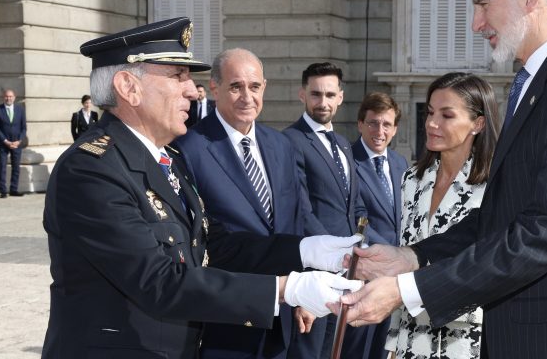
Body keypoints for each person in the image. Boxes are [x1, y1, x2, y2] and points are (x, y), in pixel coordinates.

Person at [335, 0, 547, 358]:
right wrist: (411, 256)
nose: (475, 23)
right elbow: (500, 215)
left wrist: (407, 291)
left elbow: (540, 234)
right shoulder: (543, 82)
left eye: (483, 4)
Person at [41, 17, 363, 359]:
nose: (192, 91)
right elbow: (158, 280)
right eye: (177, 76)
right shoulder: (91, 169)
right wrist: (286, 289)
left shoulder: (167, 158)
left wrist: (306, 250)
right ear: (128, 87)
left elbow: (214, 248)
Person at [174, 48, 326, 359]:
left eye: (254, 87)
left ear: (264, 88)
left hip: (282, 318)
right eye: (236, 86)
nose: (247, 97)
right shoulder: (188, 149)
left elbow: (295, 222)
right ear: (214, 88)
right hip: (225, 320)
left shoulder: (282, 146)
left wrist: (300, 294)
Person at [385, 73, 499, 358]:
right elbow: (405, 256)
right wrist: (392, 344)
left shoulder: (497, 186)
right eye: (430, 112)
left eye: (447, 115)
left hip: (468, 341)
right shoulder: (411, 179)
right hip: (411, 338)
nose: (432, 123)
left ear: (478, 123)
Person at [283, 62, 365, 358]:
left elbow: (354, 205)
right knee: (308, 351)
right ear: (302, 95)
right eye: (316, 94)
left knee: (333, 350)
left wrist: (360, 248)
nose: (323, 102)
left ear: (340, 97)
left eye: (330, 95)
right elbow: (301, 212)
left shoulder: (343, 144)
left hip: (344, 269)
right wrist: (332, 256)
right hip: (315, 270)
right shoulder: (290, 141)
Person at [351, 92, 408, 359]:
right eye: (373, 123)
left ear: (395, 129)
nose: (379, 131)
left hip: (396, 278)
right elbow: (353, 217)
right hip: (365, 273)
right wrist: (388, 257)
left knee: (384, 350)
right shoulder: (347, 162)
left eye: (386, 124)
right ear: (360, 124)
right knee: (357, 350)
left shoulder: (400, 164)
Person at [0, 88, 26, 198]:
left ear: (14, 97)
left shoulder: (20, 109)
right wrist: (6, 141)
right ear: (3, 97)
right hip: (3, 144)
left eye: (11, 96)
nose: (8, 98)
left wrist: (19, 140)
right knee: (2, 167)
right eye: (6, 96)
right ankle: (3, 191)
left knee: (16, 167)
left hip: (17, 143)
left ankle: (13, 189)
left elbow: (24, 128)